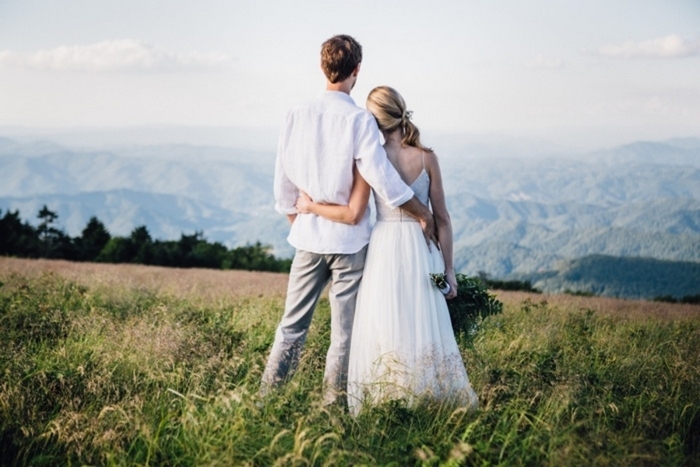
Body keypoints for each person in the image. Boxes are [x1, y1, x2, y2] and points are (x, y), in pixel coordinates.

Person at [262, 35, 436, 407]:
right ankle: (334, 409)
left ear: (323, 68)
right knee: (343, 336)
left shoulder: (294, 114)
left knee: (292, 327)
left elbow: (283, 188)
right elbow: (381, 177)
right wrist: (422, 213)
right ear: (356, 71)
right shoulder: (359, 120)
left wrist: (303, 224)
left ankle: (266, 401)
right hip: (350, 245)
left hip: (308, 239)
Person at [296, 86, 479, 415]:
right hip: (422, 248)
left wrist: (311, 205)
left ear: (373, 119)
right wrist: (449, 270)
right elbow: (443, 218)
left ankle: (388, 396)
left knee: (386, 318)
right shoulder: (427, 157)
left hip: (384, 246)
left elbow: (355, 210)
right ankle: (430, 395)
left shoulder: (370, 159)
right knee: (424, 320)